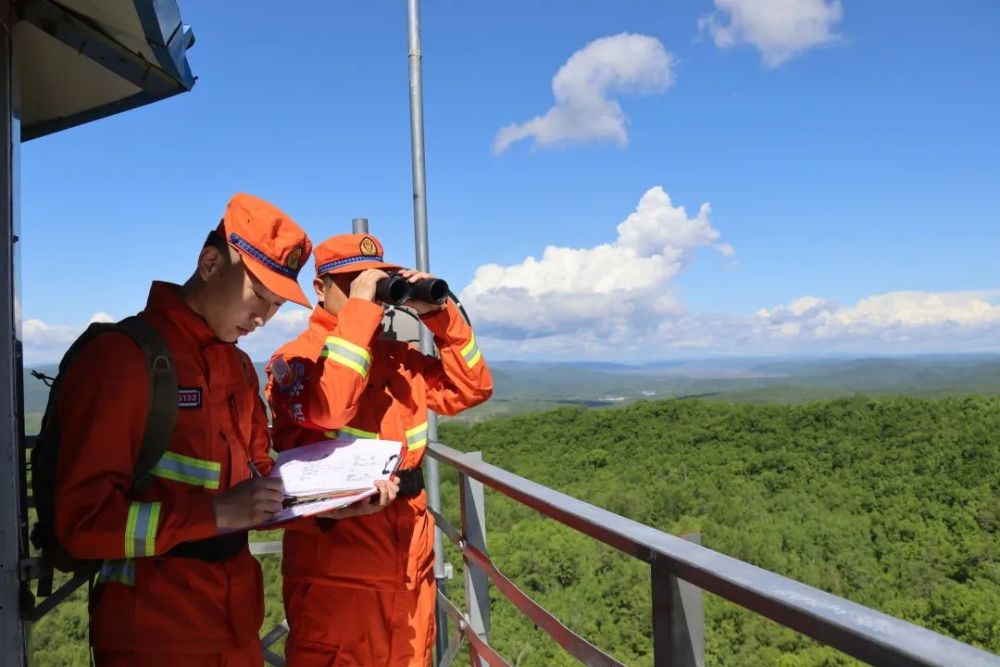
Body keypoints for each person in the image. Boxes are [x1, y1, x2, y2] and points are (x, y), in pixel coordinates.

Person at [53, 193, 317, 666]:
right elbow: (82, 523)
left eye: (276, 305)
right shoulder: (122, 359)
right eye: (258, 295)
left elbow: (260, 478)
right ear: (211, 263)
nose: (263, 317)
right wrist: (213, 514)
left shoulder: (239, 367)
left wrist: (325, 503)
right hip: (153, 636)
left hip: (235, 627)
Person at [266, 232, 494, 666]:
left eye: (377, 282)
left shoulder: (398, 359)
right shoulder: (295, 360)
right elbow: (330, 407)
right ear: (320, 289)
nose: (367, 292)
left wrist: (440, 316)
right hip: (340, 573)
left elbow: (472, 388)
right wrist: (362, 313)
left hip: (409, 561)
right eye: (353, 283)